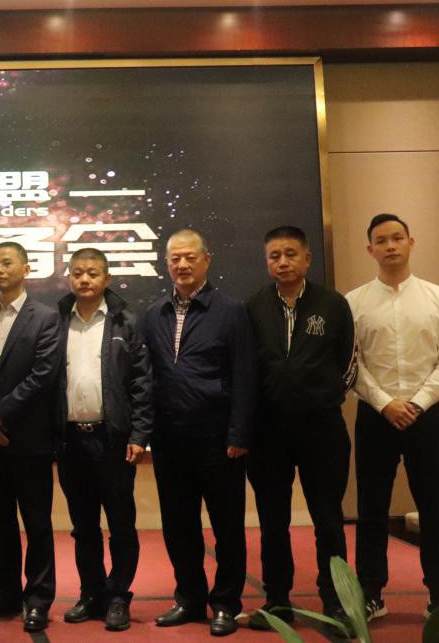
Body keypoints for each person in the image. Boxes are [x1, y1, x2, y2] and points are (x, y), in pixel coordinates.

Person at [348, 213, 439, 633]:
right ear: (370, 249)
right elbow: (352, 363)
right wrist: (385, 403)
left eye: (397, 238)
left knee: (435, 511)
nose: (391, 246)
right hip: (375, 416)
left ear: (411, 242)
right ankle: (370, 596)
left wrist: (416, 404)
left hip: (427, 416)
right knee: (371, 511)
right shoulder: (354, 301)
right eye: (381, 240)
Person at [142, 229, 254, 637]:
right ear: (166, 264)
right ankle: (189, 598)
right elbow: (147, 376)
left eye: (190, 257)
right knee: (178, 525)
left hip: (218, 439)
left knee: (227, 527)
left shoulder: (230, 311)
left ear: (207, 259)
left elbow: (244, 376)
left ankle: (225, 604)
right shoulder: (153, 313)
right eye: (175, 258)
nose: (182, 265)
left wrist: (239, 433)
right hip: (169, 439)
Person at [244, 227, 356, 632]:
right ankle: (277, 601)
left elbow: (348, 361)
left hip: (321, 429)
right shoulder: (253, 306)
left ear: (307, 259)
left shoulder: (333, 304)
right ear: (267, 262)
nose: (283, 262)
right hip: (268, 432)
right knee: (273, 522)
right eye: (274, 256)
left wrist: (318, 397)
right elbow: (247, 367)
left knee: (328, 520)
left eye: (290, 254)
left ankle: (337, 603)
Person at [0, 241, 60, 633]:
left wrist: (1, 413)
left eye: (7, 263)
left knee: (36, 521)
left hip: (30, 438)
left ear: (26, 268)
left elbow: (43, 374)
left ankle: (38, 599)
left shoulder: (46, 318)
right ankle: (5, 593)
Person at [55, 247, 151, 632]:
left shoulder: (127, 322)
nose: (84, 279)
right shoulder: (56, 320)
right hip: (70, 441)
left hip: (112, 440)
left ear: (106, 278)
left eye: (92, 273)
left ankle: (118, 597)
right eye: (77, 272)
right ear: (69, 277)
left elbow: (142, 383)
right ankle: (91, 593)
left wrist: (139, 434)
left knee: (121, 524)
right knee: (83, 526)